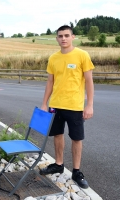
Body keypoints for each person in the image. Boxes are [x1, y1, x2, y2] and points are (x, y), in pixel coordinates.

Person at [39, 25, 94, 189]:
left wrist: (89, 105)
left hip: (75, 106)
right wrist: (44, 103)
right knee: (57, 134)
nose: (63, 38)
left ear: (73, 37)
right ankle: (58, 164)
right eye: (60, 36)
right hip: (55, 104)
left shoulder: (82, 55)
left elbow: (89, 81)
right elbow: (50, 82)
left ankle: (76, 171)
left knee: (76, 138)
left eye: (66, 35)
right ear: (57, 38)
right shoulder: (53, 58)